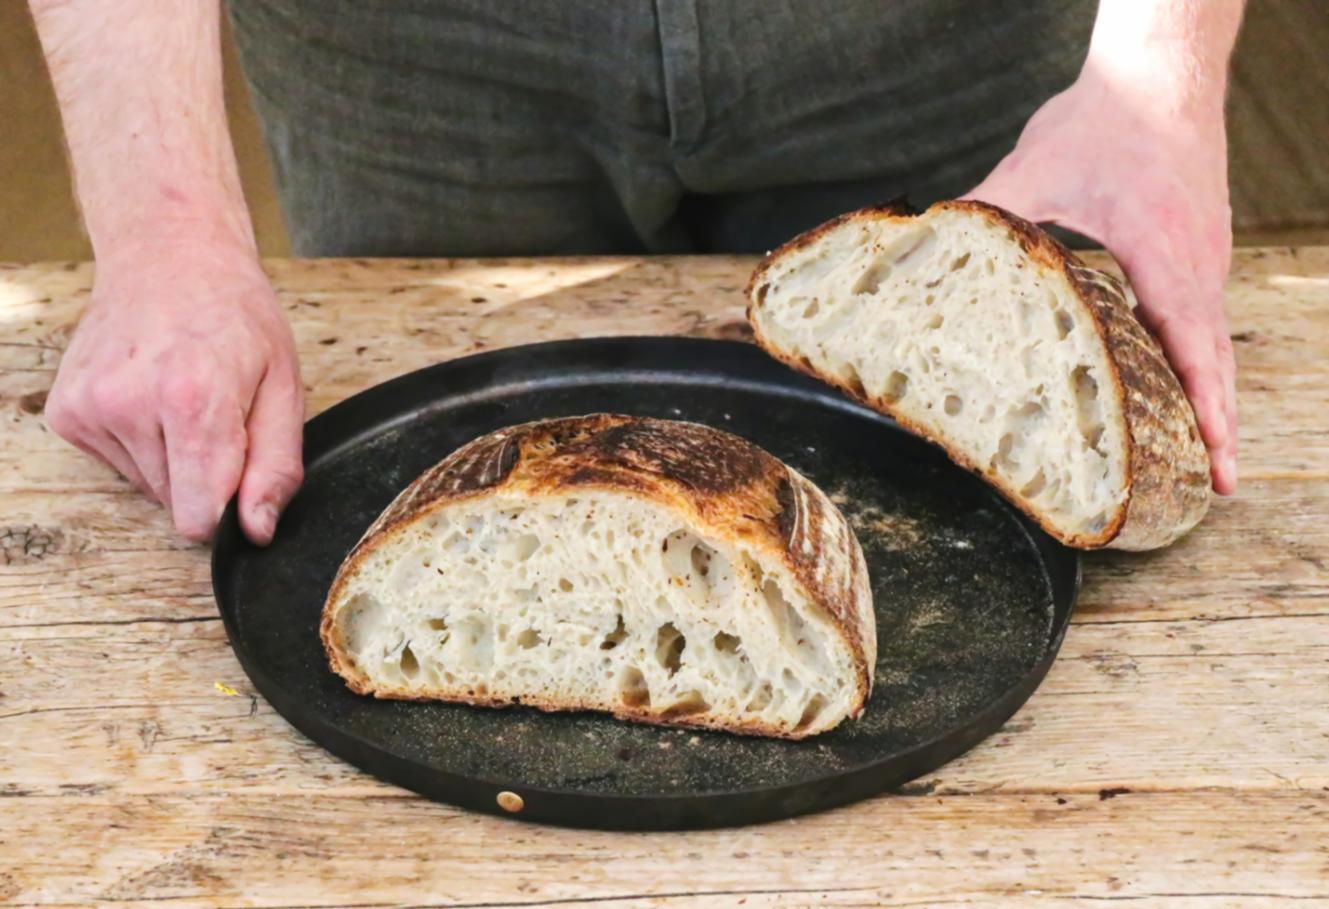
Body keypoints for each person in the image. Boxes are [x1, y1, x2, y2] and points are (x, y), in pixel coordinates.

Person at [29, 0, 1243, 546]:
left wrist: (1159, 76)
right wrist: (163, 229)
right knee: (409, 468)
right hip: (406, 44)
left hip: (935, 35)